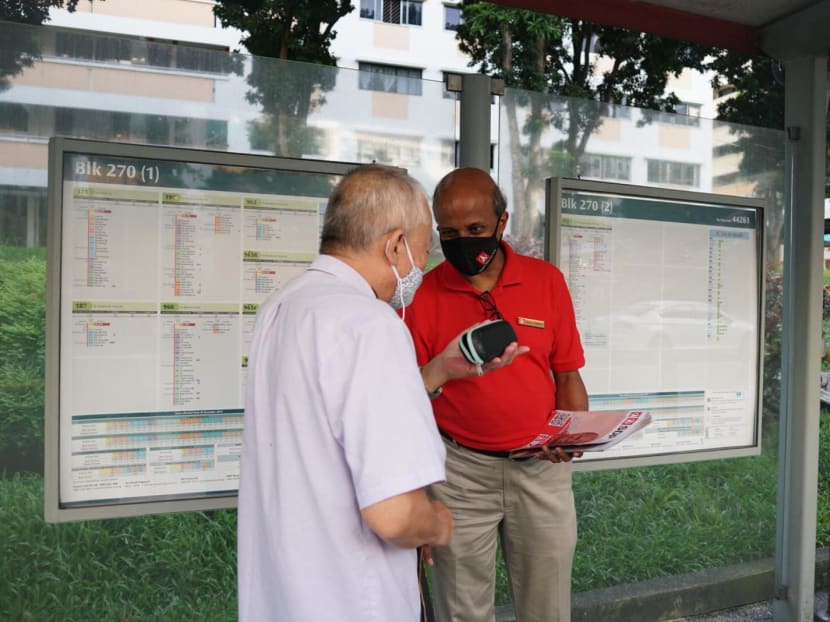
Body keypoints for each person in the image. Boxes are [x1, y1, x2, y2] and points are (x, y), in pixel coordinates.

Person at [237, 164, 464, 622]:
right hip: (352, 601)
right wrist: (436, 523)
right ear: (394, 244)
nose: (422, 266)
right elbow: (395, 515)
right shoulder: (370, 324)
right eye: (423, 251)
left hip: (285, 594)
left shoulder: (284, 305)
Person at [408, 167, 589, 622]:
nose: (463, 243)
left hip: (541, 473)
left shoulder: (546, 282)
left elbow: (567, 376)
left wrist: (571, 436)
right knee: (461, 611)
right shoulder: (422, 297)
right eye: (449, 233)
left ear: (502, 222)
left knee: (547, 609)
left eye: (475, 230)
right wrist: (418, 493)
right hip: (461, 476)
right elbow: (408, 400)